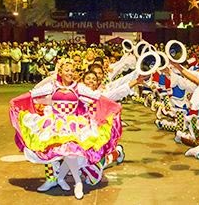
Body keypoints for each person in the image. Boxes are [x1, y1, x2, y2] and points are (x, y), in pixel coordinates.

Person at [9, 62, 122, 199]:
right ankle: (56, 180)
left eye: (72, 70)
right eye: (66, 70)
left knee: (71, 154)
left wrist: (114, 106)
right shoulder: (52, 86)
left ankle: (76, 182)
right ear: (60, 72)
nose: (69, 72)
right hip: (54, 124)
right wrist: (15, 100)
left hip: (73, 125)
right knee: (52, 152)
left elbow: (97, 97)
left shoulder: (78, 87)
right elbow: (33, 94)